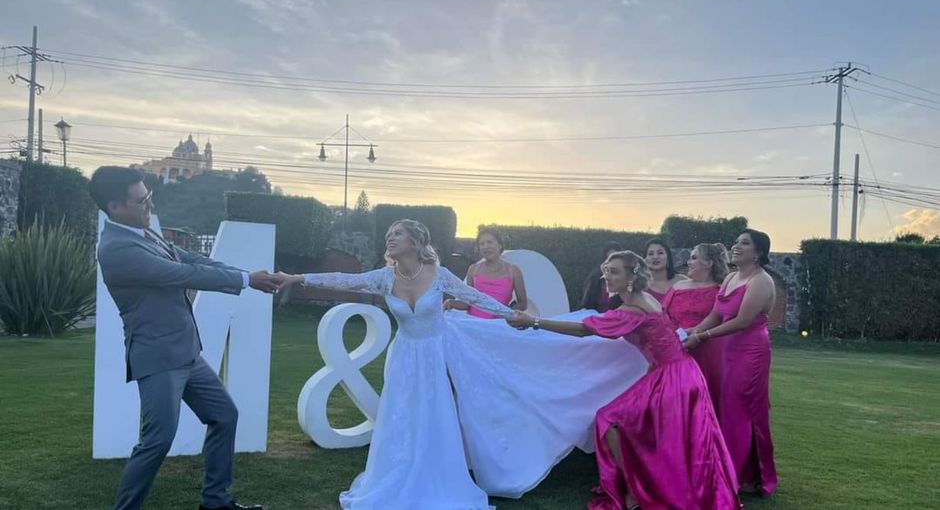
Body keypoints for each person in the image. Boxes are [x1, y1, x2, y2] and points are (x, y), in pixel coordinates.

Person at [276, 220, 649, 506]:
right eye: (389, 234)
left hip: (435, 353)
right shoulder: (384, 277)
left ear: (416, 242)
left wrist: (517, 318)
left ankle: (436, 477)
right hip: (404, 355)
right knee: (400, 415)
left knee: (434, 416)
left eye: (398, 234)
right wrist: (298, 277)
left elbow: (475, 298)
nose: (390, 239)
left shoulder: (438, 275)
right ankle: (392, 477)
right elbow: (344, 279)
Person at [91, 166, 275, 510]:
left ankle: (215, 502)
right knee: (157, 442)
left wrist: (245, 274)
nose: (150, 205)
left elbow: (189, 258)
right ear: (115, 207)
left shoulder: (143, 232)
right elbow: (181, 274)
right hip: (159, 358)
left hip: (186, 352)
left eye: (149, 197)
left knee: (224, 416)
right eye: (142, 200)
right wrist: (248, 280)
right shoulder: (117, 249)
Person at [509, 251, 740, 510]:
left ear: (632, 277)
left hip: (674, 378)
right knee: (655, 433)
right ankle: (641, 487)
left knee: (610, 420)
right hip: (677, 373)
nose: (606, 276)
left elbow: (586, 329)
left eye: (614, 271)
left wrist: (535, 322)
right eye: (606, 270)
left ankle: (635, 490)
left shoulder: (633, 309)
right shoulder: (644, 300)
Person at [683, 229, 778, 496]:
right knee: (724, 407)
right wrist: (693, 330)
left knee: (740, 410)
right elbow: (716, 314)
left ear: (758, 252)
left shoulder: (762, 281)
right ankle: (726, 470)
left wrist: (702, 337)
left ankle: (740, 476)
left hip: (751, 351)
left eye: (744, 243)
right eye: (736, 242)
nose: (736, 246)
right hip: (727, 350)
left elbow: (742, 321)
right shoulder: (732, 277)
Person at [662, 242, 729, 409]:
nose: (688, 262)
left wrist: (694, 332)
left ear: (708, 262)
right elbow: (661, 315)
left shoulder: (720, 290)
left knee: (703, 399)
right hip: (674, 346)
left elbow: (719, 318)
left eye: (693, 258)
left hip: (706, 350)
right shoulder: (677, 287)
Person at [443, 227, 527, 316]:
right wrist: (451, 302)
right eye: (482, 244)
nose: (486, 246)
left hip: (499, 325)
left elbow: (523, 303)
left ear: (500, 245)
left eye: (489, 242)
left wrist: (505, 313)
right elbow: (468, 302)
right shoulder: (473, 269)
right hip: (474, 324)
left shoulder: (513, 271)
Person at [579, 241, 623, 312]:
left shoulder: (625, 282)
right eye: (607, 258)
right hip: (595, 319)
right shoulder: (593, 280)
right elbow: (586, 304)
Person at [644, 238, 687, 303]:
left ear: (668, 257)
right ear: (645, 259)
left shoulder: (683, 281)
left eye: (660, 253)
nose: (655, 257)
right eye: (650, 254)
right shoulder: (641, 285)